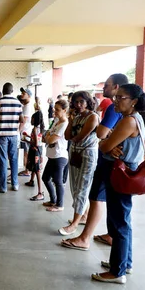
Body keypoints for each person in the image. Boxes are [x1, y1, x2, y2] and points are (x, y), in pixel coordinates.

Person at [61, 73, 129, 251]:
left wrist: (105, 143)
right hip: (107, 158)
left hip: (105, 158)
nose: (104, 88)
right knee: (109, 202)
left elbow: (99, 134)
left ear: (117, 88)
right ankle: (111, 238)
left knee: (97, 197)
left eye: (107, 85)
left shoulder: (114, 111)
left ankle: (82, 232)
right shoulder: (119, 112)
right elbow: (70, 136)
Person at [91, 84, 145, 284]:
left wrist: (105, 144)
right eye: (116, 97)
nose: (116, 101)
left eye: (121, 98)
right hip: (121, 171)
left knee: (119, 222)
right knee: (122, 219)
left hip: (119, 172)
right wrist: (108, 145)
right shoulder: (133, 118)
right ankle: (125, 263)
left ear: (133, 101)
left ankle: (117, 272)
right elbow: (108, 144)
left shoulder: (129, 121)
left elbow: (105, 144)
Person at [61, 91, 99, 235]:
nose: (78, 105)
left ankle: (74, 224)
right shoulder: (76, 117)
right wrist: (70, 121)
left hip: (87, 154)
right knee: (75, 186)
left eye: (81, 102)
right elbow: (67, 136)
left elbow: (79, 137)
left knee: (82, 188)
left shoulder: (93, 117)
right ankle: (83, 215)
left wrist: (73, 136)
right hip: (75, 153)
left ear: (88, 102)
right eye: (76, 102)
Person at [0, 83, 24, 193]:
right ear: (12, 91)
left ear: (2, 90)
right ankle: (15, 184)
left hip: (3, 135)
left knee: (3, 159)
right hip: (14, 135)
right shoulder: (18, 103)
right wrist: (16, 129)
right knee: (14, 159)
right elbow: (22, 120)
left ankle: (3, 187)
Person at [38, 99, 69, 209]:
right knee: (45, 178)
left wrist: (47, 138)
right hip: (52, 155)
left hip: (59, 156)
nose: (54, 111)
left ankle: (59, 205)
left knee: (58, 181)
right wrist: (47, 137)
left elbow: (51, 139)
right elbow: (47, 135)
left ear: (64, 110)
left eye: (57, 110)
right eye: (54, 109)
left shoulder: (64, 124)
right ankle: (53, 200)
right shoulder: (57, 121)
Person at [23, 111, 43, 201]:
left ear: (34, 119)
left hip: (35, 151)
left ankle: (40, 192)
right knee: (35, 168)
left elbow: (36, 143)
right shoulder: (40, 128)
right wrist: (28, 136)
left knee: (37, 170)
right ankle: (31, 181)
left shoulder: (35, 129)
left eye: (31, 118)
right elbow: (37, 139)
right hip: (38, 151)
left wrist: (26, 140)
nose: (30, 120)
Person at [18, 88, 35, 177]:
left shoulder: (28, 106)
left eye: (23, 93)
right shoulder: (26, 105)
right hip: (25, 131)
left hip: (25, 132)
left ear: (28, 95)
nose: (22, 94)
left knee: (26, 152)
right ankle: (26, 169)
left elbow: (23, 120)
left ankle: (27, 170)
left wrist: (18, 131)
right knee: (25, 152)